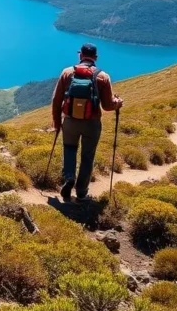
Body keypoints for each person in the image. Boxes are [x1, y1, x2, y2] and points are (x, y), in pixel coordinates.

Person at [51, 42, 123, 202]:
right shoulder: (103, 76)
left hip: (70, 121)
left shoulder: (67, 72)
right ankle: (82, 192)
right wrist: (118, 102)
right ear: (95, 57)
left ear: (80, 55)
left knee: (69, 150)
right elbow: (107, 106)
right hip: (92, 123)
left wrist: (57, 123)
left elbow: (56, 101)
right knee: (87, 156)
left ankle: (69, 177)